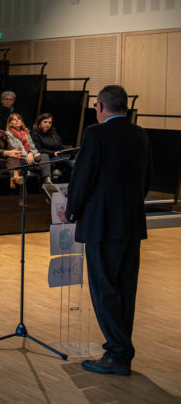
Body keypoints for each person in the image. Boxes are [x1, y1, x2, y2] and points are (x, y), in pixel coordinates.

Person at [65, 85, 151, 376]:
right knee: (125, 289)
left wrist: (71, 211)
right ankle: (121, 353)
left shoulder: (95, 133)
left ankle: (117, 353)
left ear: (100, 107)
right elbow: (146, 179)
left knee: (104, 290)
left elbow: (83, 177)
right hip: (131, 223)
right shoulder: (140, 134)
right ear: (125, 107)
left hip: (101, 224)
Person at [5, 112, 53, 185]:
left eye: (18, 119)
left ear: (21, 122)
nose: (17, 121)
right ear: (10, 124)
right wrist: (28, 154)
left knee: (44, 156)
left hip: (30, 157)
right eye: (14, 120)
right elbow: (15, 148)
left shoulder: (26, 133)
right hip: (20, 158)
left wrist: (30, 153)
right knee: (39, 166)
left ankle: (47, 180)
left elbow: (34, 148)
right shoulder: (8, 134)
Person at [32, 112, 72, 179]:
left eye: (50, 123)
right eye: (45, 122)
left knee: (71, 160)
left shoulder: (54, 134)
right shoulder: (35, 135)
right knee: (67, 160)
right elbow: (39, 150)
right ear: (40, 123)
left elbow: (60, 147)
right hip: (47, 158)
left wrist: (63, 152)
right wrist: (53, 153)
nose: (47, 124)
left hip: (58, 156)